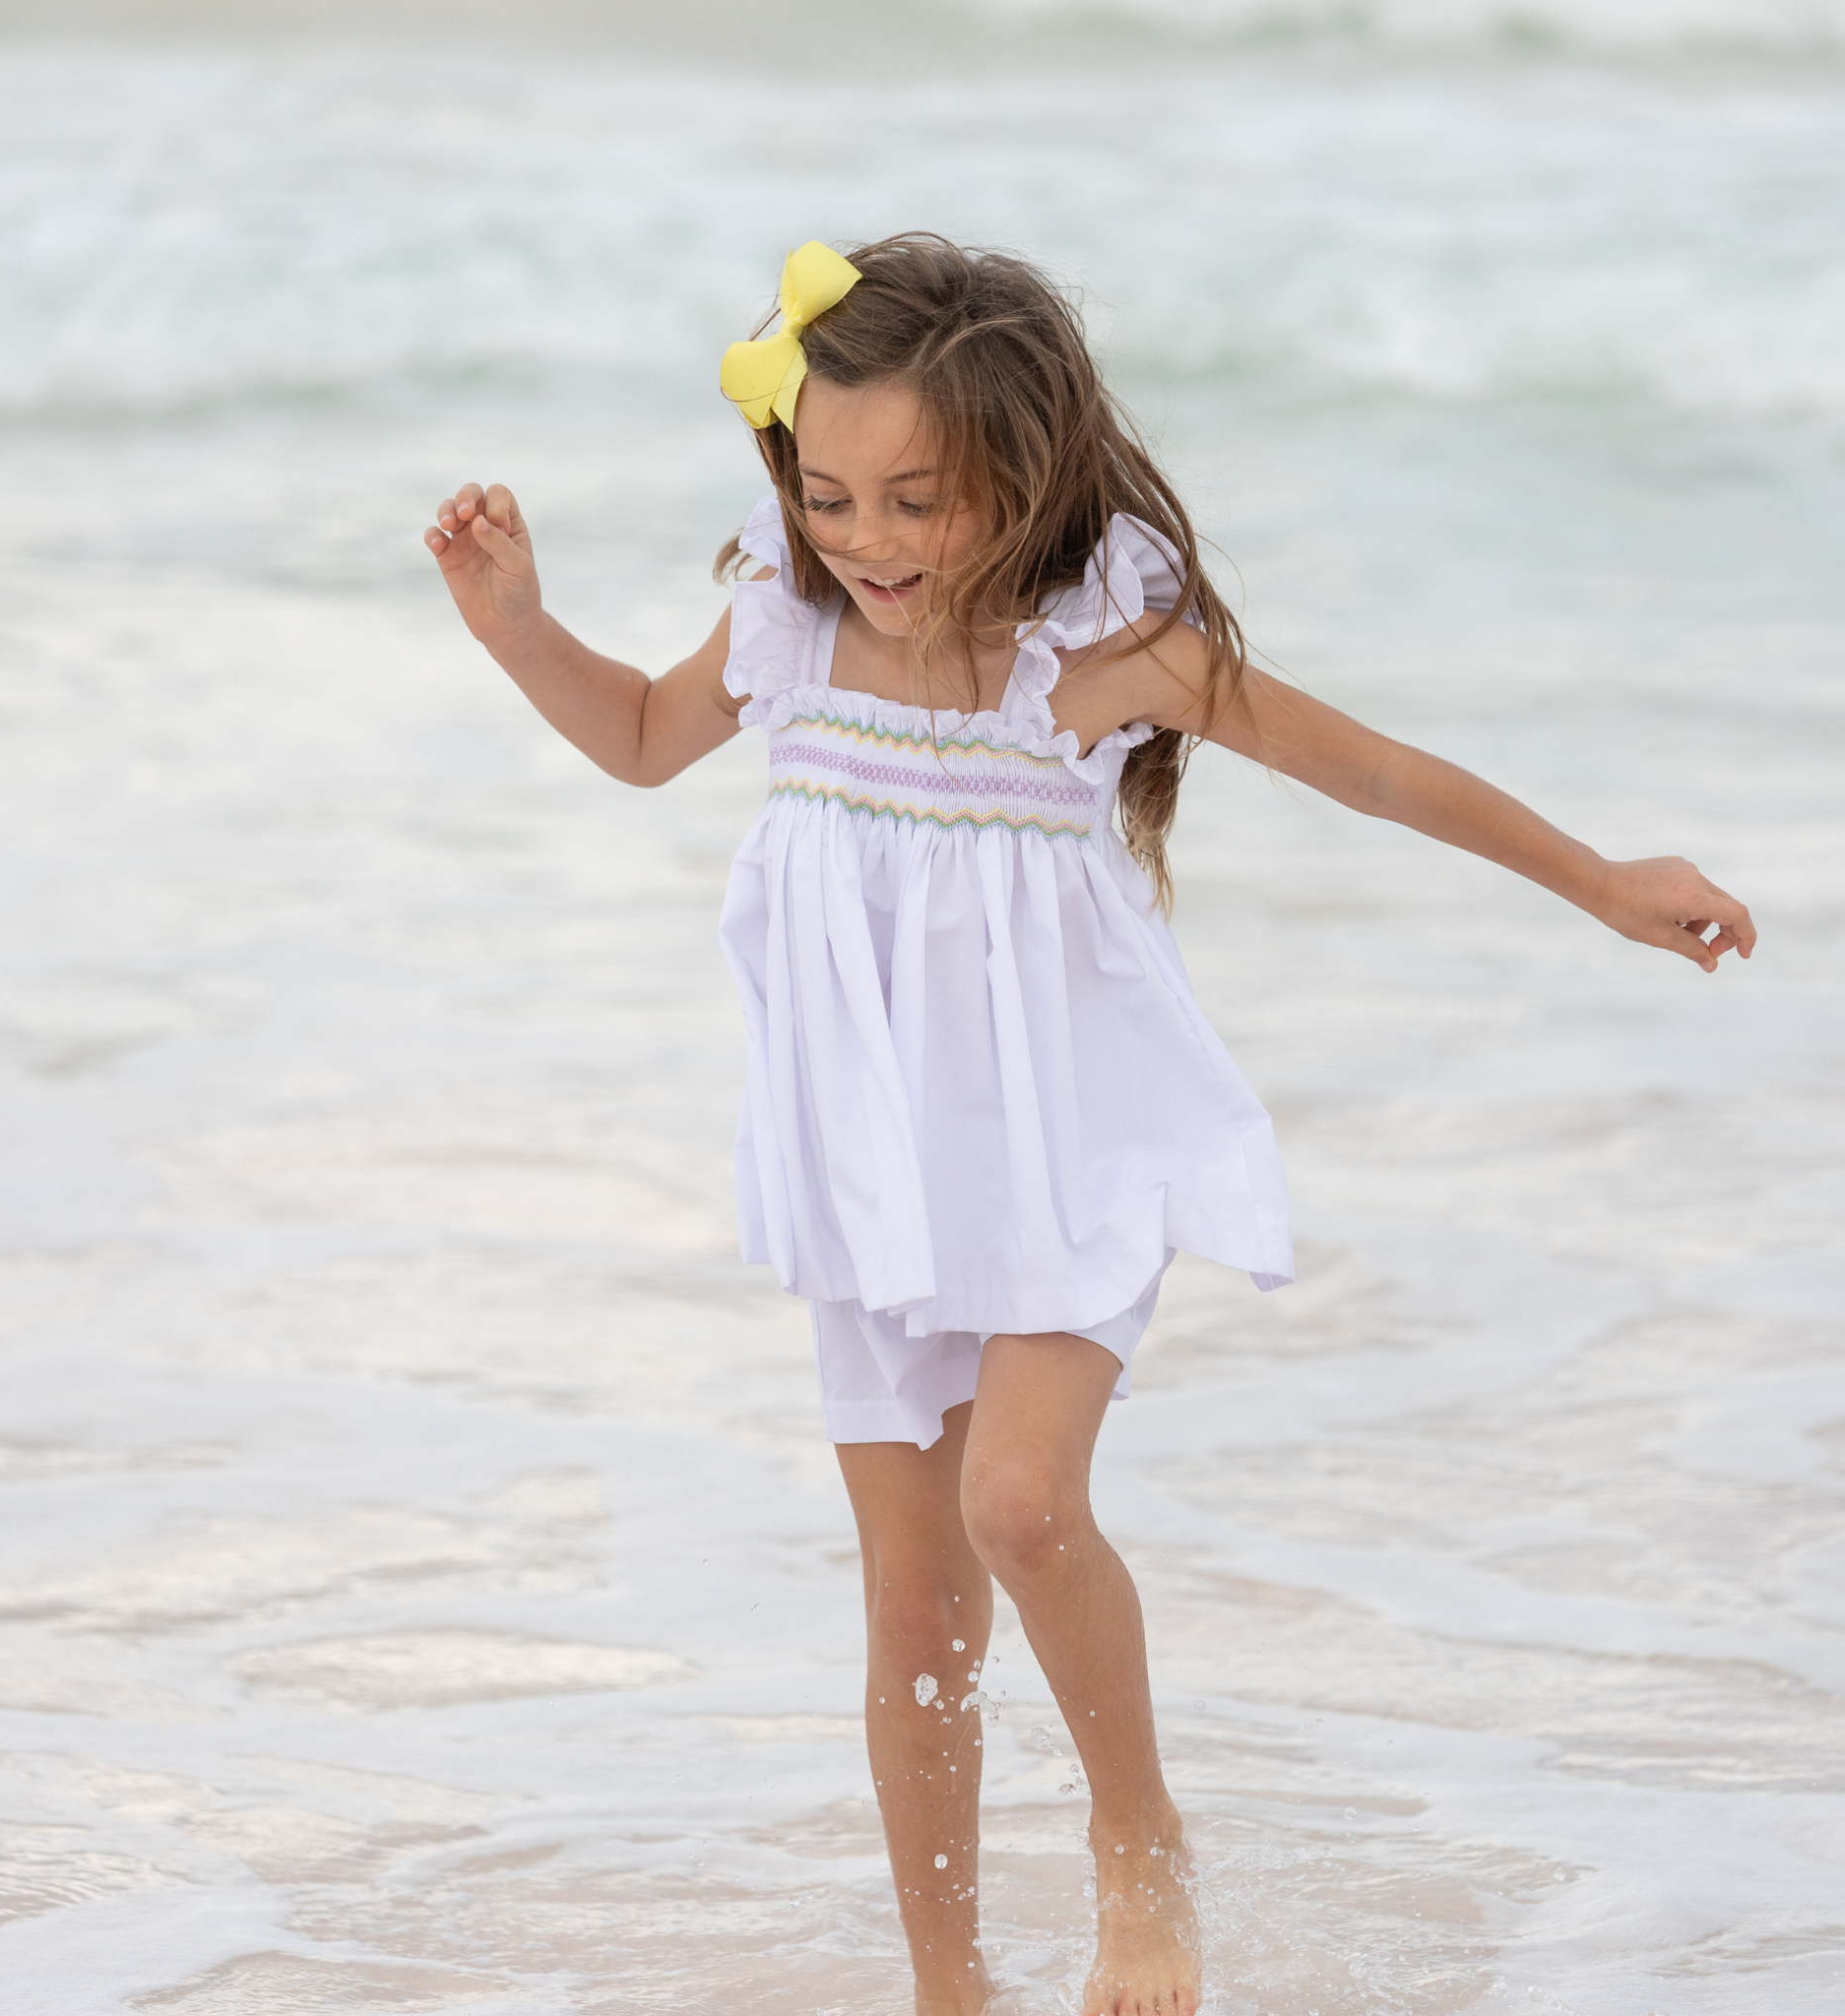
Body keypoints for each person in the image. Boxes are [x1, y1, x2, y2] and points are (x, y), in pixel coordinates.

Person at [422, 234, 1753, 2016]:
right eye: (829, 495)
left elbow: (1367, 768)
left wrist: (1596, 879)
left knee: (1025, 1504)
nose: (872, 542)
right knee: (912, 1611)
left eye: (919, 499)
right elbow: (645, 738)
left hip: (1070, 1143)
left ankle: (1141, 1853)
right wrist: (518, 625)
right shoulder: (787, 632)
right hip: (873, 1164)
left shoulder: (1097, 654)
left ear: (1021, 475)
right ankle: (948, 1986)